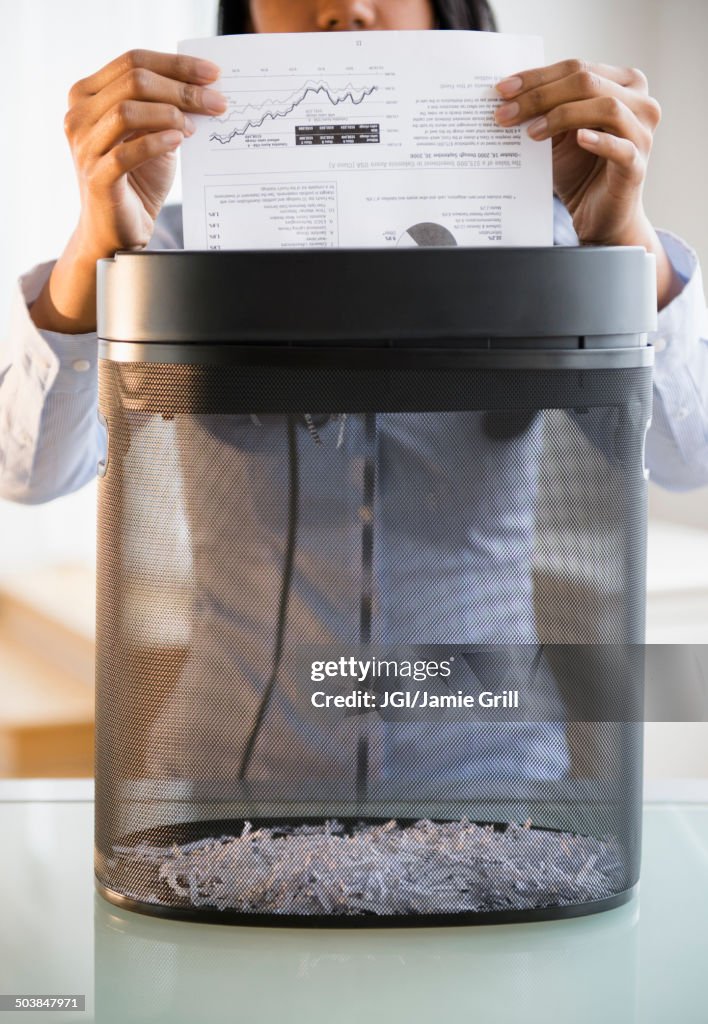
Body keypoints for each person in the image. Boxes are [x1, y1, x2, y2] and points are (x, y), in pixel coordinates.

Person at [1, 0, 707, 792]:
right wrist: (93, 252)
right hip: (227, 786)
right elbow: (30, 473)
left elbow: (689, 457)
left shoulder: (555, 250)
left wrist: (621, 243)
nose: (346, 9)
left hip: (490, 781)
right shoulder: (167, 255)